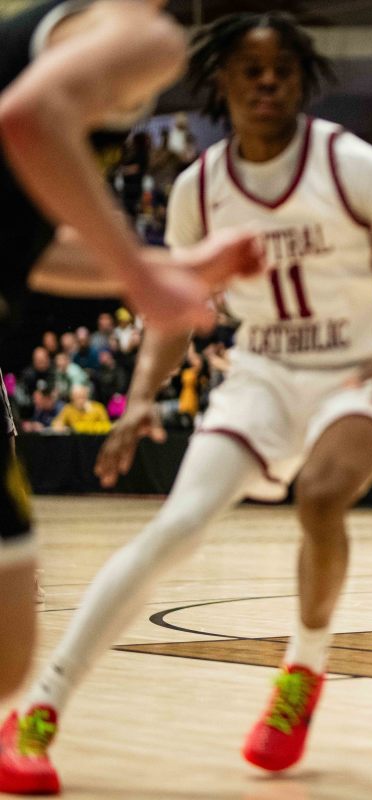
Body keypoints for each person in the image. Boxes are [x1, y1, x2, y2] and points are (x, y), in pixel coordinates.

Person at [0, 13, 372, 793]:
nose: (266, 81)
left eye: (282, 68)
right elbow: (179, 303)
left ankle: (301, 674)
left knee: (321, 497)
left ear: (301, 78)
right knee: (175, 527)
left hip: (361, 371)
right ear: (220, 80)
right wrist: (143, 398)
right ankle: (38, 711)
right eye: (250, 70)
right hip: (262, 374)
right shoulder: (201, 187)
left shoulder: (351, 163)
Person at [0, 0, 262, 709]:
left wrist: (167, 264)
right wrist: (146, 281)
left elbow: (33, 252)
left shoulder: (64, 32)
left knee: (8, 648)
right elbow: (28, 116)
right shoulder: (145, 35)